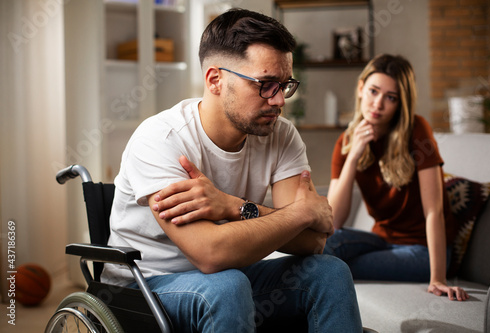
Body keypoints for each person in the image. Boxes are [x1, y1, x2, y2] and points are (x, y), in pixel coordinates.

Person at [101, 8, 363, 332]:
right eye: (266, 85)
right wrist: (303, 214)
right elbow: (210, 254)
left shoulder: (281, 135)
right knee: (228, 286)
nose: (280, 101)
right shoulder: (161, 139)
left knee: (330, 271)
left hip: (229, 278)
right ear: (215, 80)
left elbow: (311, 244)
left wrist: (233, 206)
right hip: (144, 285)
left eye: (285, 85)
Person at [324, 54, 469, 301]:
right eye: (373, 91)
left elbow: (434, 211)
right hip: (381, 239)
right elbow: (333, 220)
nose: (378, 104)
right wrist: (354, 154)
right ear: (361, 89)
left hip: (421, 251)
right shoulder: (346, 142)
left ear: (400, 103)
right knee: (323, 245)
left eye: (390, 97)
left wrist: (438, 279)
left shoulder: (417, 130)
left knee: (333, 265)